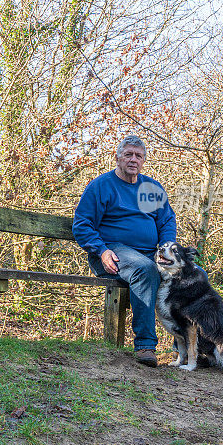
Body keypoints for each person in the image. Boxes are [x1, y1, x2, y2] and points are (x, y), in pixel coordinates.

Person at [72, 135, 177, 367]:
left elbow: (167, 221)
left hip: (151, 252)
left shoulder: (151, 188)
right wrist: (101, 250)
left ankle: (192, 348)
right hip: (112, 253)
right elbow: (82, 225)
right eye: (128, 154)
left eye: (138, 156)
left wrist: (166, 248)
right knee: (145, 269)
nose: (133, 159)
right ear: (117, 157)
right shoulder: (102, 186)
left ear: (143, 161)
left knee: (194, 273)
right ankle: (146, 345)